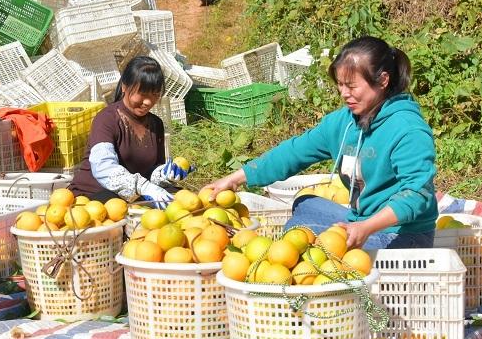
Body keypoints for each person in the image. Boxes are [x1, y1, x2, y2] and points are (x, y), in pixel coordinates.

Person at [205, 36, 438, 250]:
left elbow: (417, 194)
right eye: (340, 85)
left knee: (296, 237)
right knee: (305, 205)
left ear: (383, 80)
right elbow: (294, 152)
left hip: (402, 236)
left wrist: (366, 228)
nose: (344, 94)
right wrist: (235, 178)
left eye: (352, 86)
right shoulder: (344, 122)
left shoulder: (407, 129)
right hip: (360, 221)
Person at [69, 56, 192, 207]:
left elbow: (150, 171)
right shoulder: (107, 119)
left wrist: (164, 174)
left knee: (179, 198)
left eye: (154, 94)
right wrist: (144, 187)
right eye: (142, 93)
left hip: (132, 196)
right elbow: (104, 168)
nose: (148, 102)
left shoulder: (155, 124)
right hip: (93, 196)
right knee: (117, 204)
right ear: (124, 87)